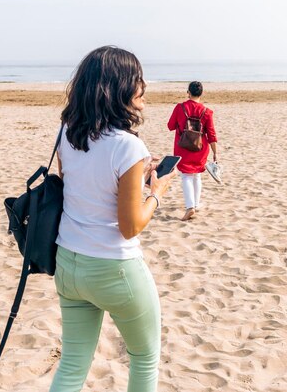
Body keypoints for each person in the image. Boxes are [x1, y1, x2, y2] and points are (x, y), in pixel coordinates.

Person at [50, 46, 175, 392]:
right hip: (114, 268)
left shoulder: (67, 131)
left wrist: (136, 174)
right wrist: (157, 192)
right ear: (117, 87)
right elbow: (130, 225)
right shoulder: (128, 146)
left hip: (68, 263)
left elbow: (82, 184)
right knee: (145, 356)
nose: (144, 86)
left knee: (73, 364)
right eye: (137, 79)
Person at [167, 81, 218, 221]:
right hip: (200, 148)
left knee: (186, 176)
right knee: (196, 175)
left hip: (183, 148)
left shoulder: (180, 107)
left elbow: (170, 126)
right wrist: (215, 153)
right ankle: (196, 204)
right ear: (201, 93)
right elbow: (211, 134)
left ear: (188, 92)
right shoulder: (206, 111)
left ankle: (190, 207)